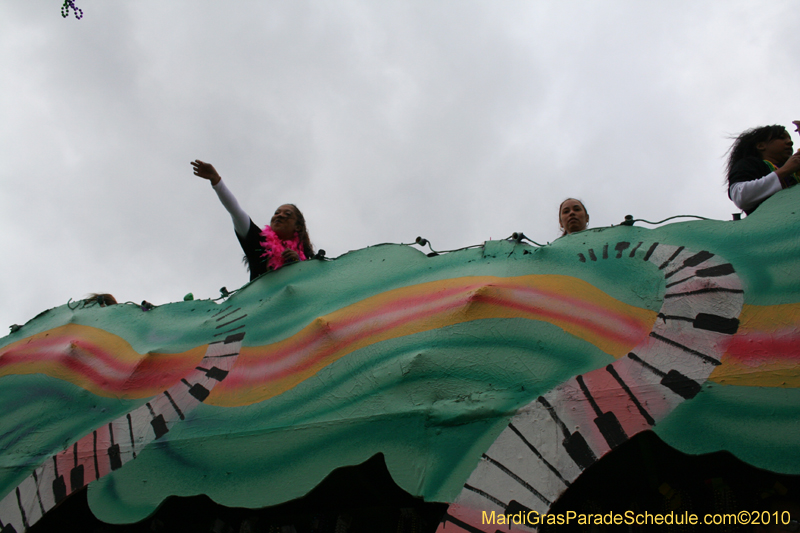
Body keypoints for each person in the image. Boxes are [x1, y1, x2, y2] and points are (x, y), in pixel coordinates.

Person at [191, 160, 314, 280]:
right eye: (276, 213)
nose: (279, 215)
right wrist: (216, 181)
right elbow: (236, 212)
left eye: (287, 214)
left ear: (298, 226)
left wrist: (298, 264)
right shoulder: (258, 241)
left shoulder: (310, 263)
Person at [727, 125, 800, 215]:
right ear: (761, 146)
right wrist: (784, 171)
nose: (790, 142)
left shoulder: (795, 169)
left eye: (789, 138)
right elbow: (740, 196)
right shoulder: (750, 163)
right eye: (781, 138)